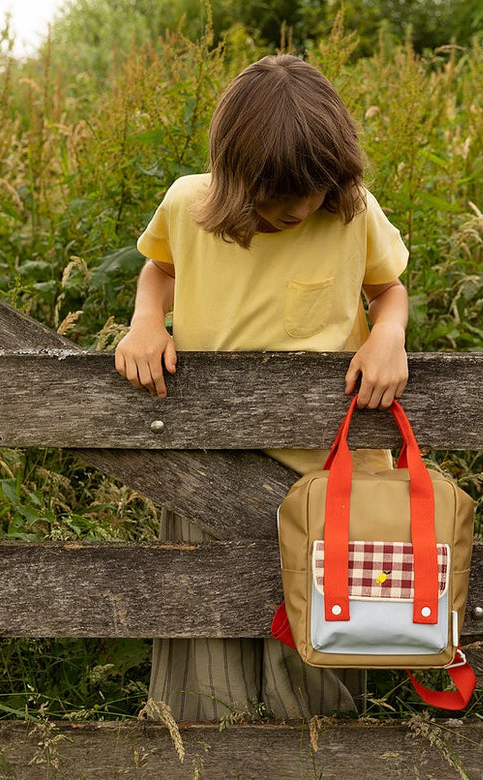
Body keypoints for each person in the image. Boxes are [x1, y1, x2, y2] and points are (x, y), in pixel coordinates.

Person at [115, 54, 409, 720]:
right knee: (203, 667)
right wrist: (144, 323)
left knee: (316, 688)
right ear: (233, 178)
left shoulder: (350, 212)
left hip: (330, 482)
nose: (294, 213)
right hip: (205, 472)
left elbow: (387, 288)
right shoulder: (189, 204)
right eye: (275, 203)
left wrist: (387, 334)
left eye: (306, 199)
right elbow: (157, 271)